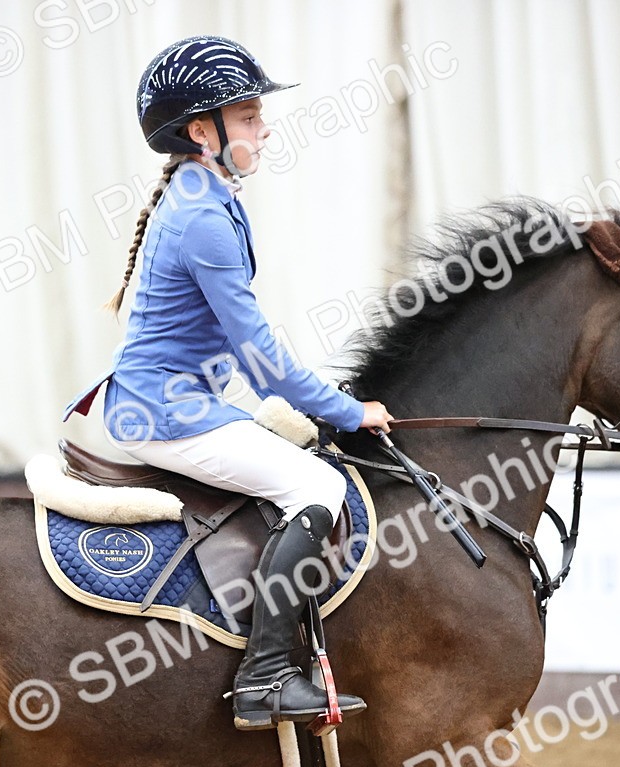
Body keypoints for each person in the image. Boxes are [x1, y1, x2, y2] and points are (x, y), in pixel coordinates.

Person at [65, 35, 393, 731]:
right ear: (199, 131)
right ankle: (265, 679)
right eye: (247, 118)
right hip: (164, 413)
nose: (264, 129)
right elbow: (261, 356)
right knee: (320, 487)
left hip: (183, 399)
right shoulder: (203, 216)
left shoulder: (204, 195)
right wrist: (344, 409)